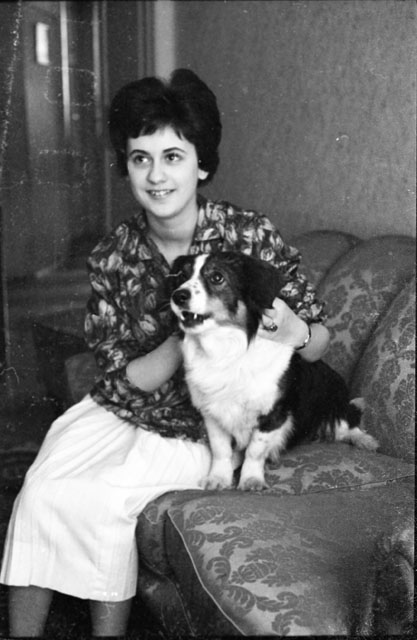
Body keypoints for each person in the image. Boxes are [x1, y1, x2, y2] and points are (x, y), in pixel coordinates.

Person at [0, 68, 330, 638]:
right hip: (127, 406)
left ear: (201, 164)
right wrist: (191, 330)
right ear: (126, 167)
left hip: (201, 425)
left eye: (173, 156)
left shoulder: (248, 235)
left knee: (103, 502)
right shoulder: (113, 255)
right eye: (140, 158)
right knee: (41, 492)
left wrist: (293, 329)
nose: (156, 175)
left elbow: (318, 343)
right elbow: (127, 381)